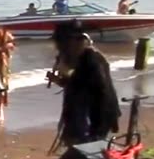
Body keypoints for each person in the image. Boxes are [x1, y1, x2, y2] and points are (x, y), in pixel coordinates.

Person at [49, 22, 120, 151]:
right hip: (94, 116)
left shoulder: (91, 61)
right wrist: (60, 79)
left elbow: (91, 89)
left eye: (61, 47)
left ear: (73, 43)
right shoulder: (88, 58)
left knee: (86, 153)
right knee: (85, 154)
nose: (59, 50)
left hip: (94, 117)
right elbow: (78, 85)